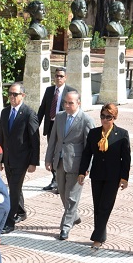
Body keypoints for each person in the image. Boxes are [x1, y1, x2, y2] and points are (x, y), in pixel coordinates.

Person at [77, 103, 130, 250]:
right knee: (98, 205)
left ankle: (97, 238)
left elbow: (126, 159)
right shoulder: (94, 133)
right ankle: (102, 234)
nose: (105, 120)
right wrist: (82, 172)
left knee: (105, 207)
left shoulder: (122, 134)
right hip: (97, 175)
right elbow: (87, 153)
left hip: (113, 176)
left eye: (109, 117)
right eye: (102, 116)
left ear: (115, 118)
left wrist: (124, 178)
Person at [45, 90, 94, 240]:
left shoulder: (86, 120)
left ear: (78, 103)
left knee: (72, 197)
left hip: (76, 164)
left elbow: (90, 147)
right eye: (65, 102)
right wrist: (48, 159)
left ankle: (65, 227)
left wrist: (86, 168)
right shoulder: (59, 117)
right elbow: (53, 139)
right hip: (59, 162)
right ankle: (75, 216)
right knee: (63, 194)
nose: (67, 105)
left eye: (70, 103)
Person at [0, 83, 40, 234]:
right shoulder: (4, 112)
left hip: (22, 159)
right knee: (15, 187)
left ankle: (9, 222)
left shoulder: (29, 113)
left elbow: (35, 139)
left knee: (14, 190)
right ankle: (21, 212)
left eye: (15, 94)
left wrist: (34, 162)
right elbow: (1, 136)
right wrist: (0, 159)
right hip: (8, 158)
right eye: (10, 94)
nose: (12, 97)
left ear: (23, 95)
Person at [37, 67, 75, 192]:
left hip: (64, 127)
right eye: (57, 76)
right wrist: (35, 126)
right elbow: (42, 109)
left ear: (66, 78)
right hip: (51, 126)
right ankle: (55, 180)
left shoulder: (70, 92)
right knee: (53, 153)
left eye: (61, 76)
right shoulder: (49, 90)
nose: (58, 78)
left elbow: (75, 111)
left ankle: (61, 181)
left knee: (61, 154)